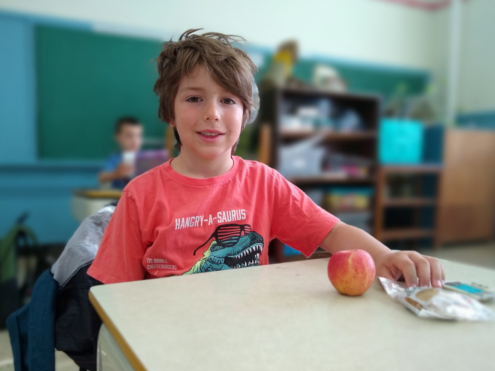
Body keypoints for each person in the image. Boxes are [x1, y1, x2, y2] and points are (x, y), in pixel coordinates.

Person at [89, 28, 444, 289]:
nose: (212, 113)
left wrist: (384, 256)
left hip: (248, 332)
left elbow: (333, 232)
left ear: (246, 116)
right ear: (169, 112)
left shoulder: (264, 183)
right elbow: (116, 294)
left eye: (229, 100)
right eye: (194, 98)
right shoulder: (140, 194)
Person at [98, 117, 143, 189]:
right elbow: (101, 177)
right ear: (118, 137)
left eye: (138, 135)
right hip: (120, 197)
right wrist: (117, 173)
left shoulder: (146, 157)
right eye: (129, 135)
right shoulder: (115, 157)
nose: (135, 140)